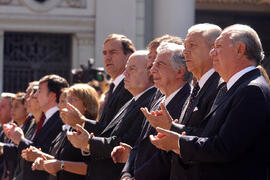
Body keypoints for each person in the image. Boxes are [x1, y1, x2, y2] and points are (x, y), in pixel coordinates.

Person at [149, 24, 270, 180]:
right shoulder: (232, 88)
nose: (212, 53)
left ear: (240, 49)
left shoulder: (252, 90)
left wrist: (178, 143)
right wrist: (172, 127)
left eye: (218, 46)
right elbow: (208, 135)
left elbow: (224, 147)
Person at [141, 23, 224, 180]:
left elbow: (212, 139)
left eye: (192, 45)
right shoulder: (199, 86)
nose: (185, 51)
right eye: (185, 46)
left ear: (213, 49)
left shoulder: (221, 86)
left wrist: (172, 128)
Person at [66, 50, 156, 180]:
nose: (125, 73)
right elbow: (110, 131)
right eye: (126, 69)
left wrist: (89, 143)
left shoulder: (151, 101)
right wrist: (83, 128)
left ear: (150, 72)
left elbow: (126, 142)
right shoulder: (133, 100)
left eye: (132, 69)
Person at [116, 42, 192, 180]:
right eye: (154, 64)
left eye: (160, 65)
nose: (152, 70)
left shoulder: (188, 102)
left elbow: (166, 156)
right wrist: (126, 173)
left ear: (180, 71)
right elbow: (140, 144)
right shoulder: (158, 101)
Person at [60, 34, 134, 136]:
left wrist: (82, 122)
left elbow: (115, 132)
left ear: (129, 56)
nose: (107, 58)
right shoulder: (113, 87)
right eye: (104, 53)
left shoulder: (130, 87)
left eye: (113, 52)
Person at [4, 74, 69, 180]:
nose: (36, 95)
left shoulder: (60, 120)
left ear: (52, 96)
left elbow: (43, 152)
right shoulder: (44, 119)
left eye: (40, 91)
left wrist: (20, 139)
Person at [30, 84, 99, 180]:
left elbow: (94, 168)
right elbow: (62, 161)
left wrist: (61, 165)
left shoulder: (92, 130)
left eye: (73, 99)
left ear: (86, 105)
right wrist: (44, 161)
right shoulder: (68, 129)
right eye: (67, 99)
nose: (67, 103)